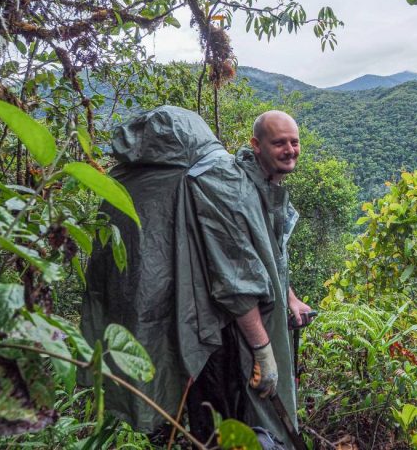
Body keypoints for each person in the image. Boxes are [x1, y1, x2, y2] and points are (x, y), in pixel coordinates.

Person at [81, 105, 312, 448]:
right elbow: (236, 282)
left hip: (205, 327)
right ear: (256, 145)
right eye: (279, 142)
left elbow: (263, 249)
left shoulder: (233, 176)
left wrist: (289, 296)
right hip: (216, 334)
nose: (289, 149)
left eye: (293, 142)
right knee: (221, 424)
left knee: (220, 422)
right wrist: (263, 350)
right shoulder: (220, 181)